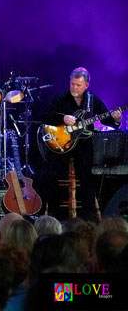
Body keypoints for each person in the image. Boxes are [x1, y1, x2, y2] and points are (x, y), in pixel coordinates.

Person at [41, 67, 122, 221]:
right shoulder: (60, 99)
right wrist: (62, 119)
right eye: (72, 84)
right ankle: (55, 217)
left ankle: (88, 219)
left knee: (88, 180)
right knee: (51, 176)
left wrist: (116, 119)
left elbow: (107, 120)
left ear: (86, 85)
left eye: (78, 85)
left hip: (83, 147)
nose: (74, 88)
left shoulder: (93, 101)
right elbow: (43, 116)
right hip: (60, 147)